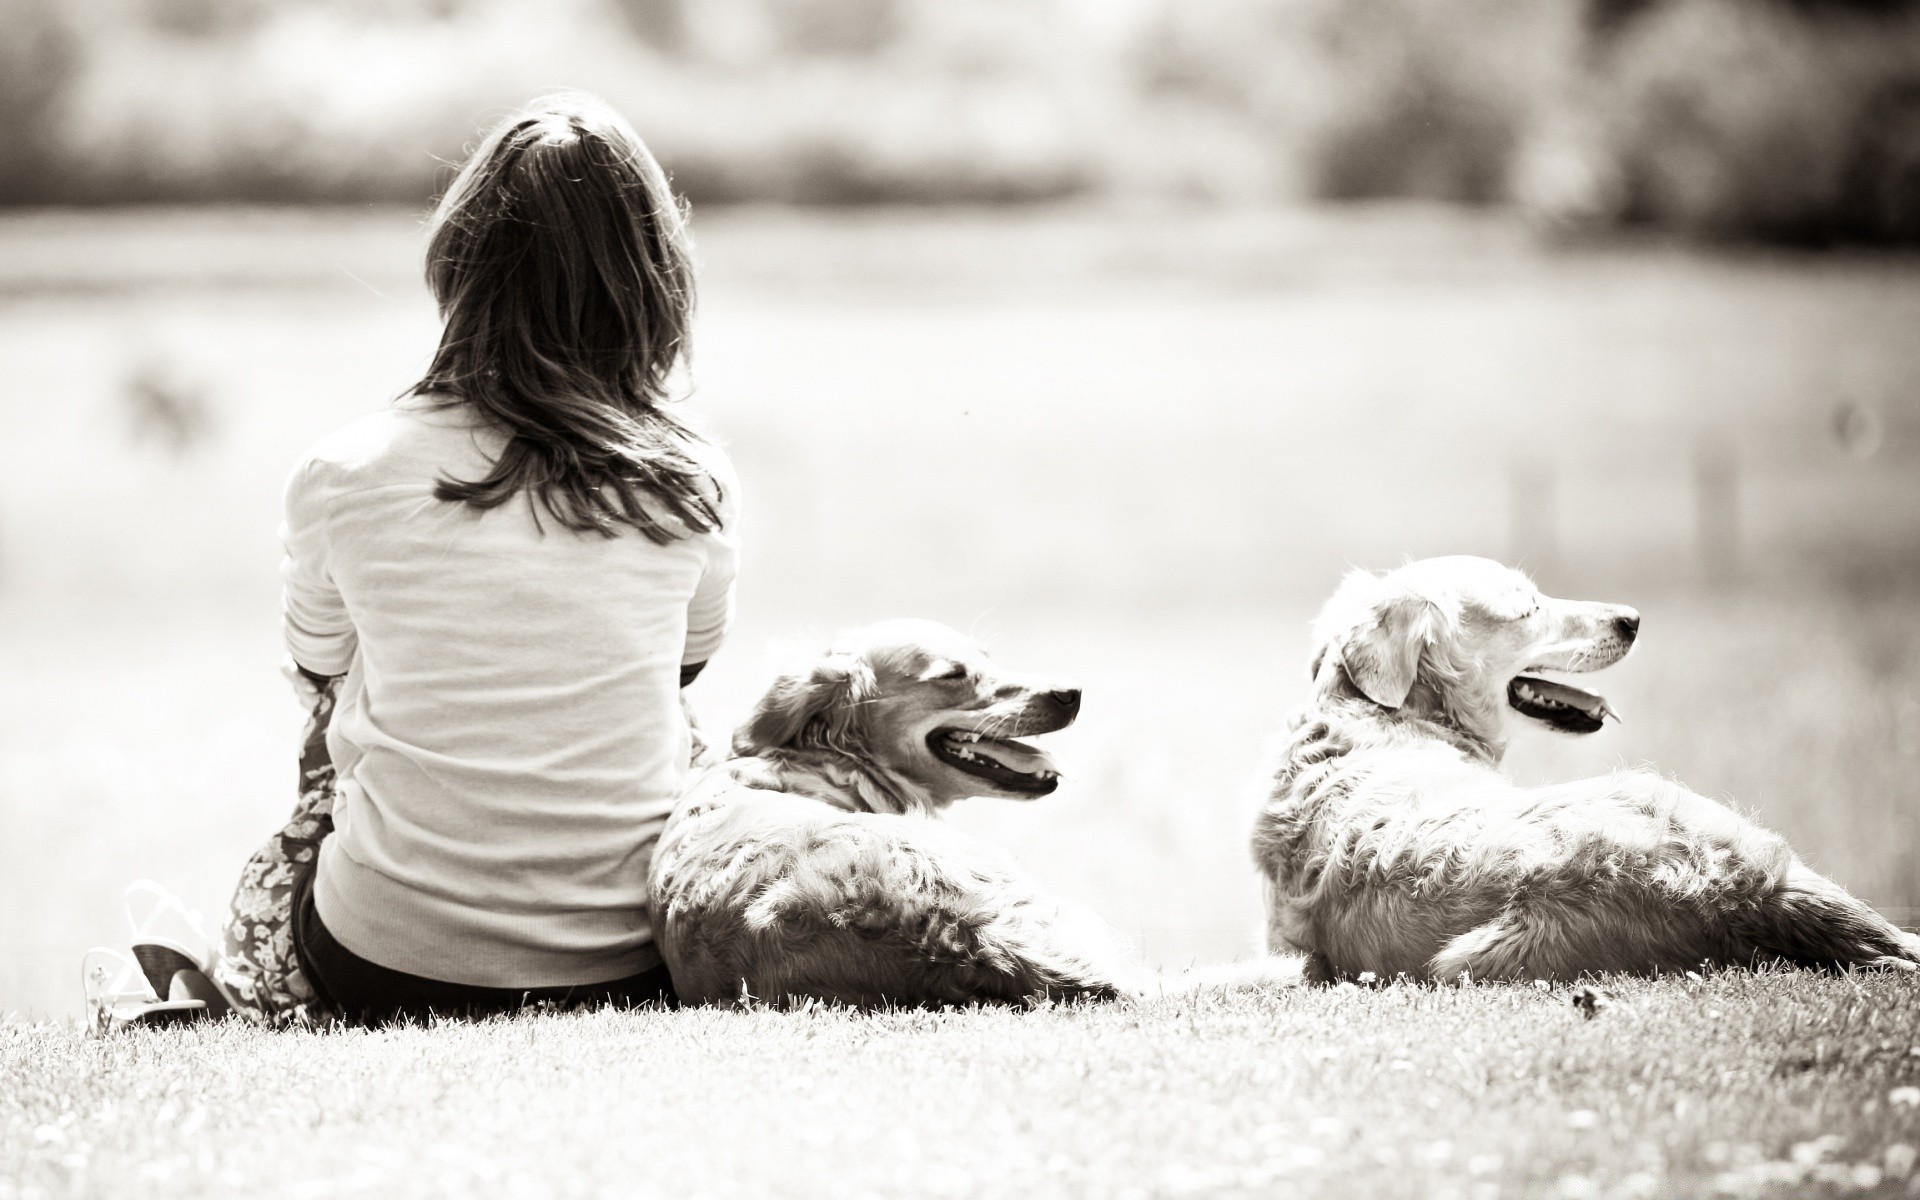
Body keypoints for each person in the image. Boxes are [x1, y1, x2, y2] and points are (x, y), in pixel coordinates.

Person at [109, 92, 738, 1029]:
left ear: (458, 261)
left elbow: (320, 673)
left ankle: (236, 983)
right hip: (630, 962)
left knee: (345, 698)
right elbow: (684, 666)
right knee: (675, 717)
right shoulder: (690, 480)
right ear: (653, 280)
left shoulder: (343, 470)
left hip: (381, 964)